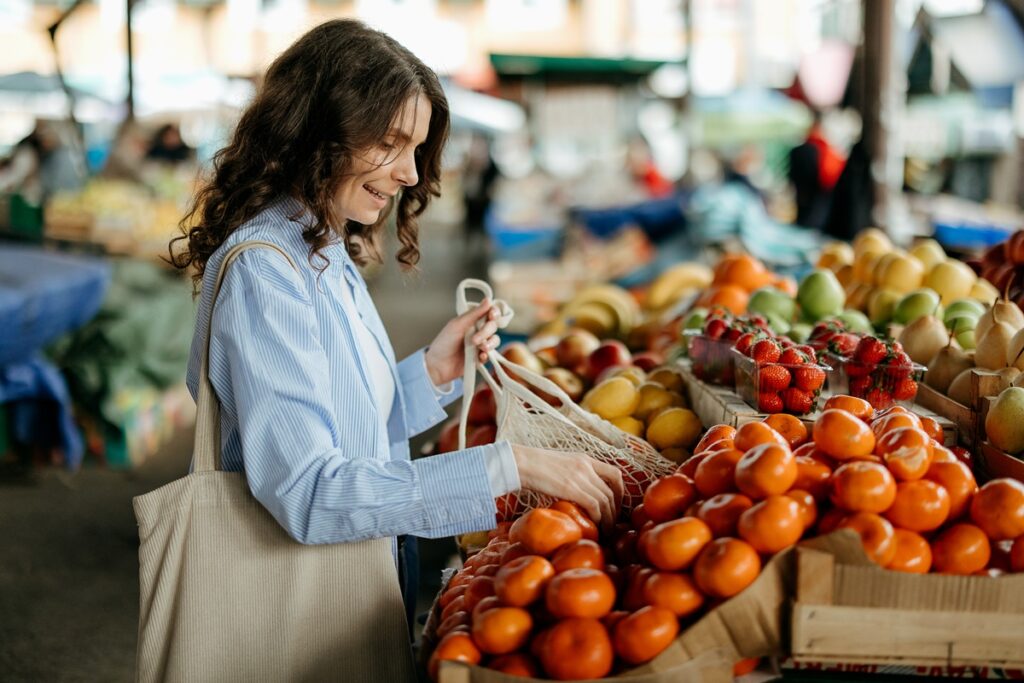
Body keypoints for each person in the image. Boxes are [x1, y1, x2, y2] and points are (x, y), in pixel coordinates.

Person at [169, 18, 622, 652]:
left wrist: (433, 370)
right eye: (391, 142)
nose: (411, 173)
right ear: (321, 131)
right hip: (296, 619)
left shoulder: (321, 247)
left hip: (354, 583)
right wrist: (506, 464)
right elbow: (309, 492)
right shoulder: (267, 272)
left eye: (417, 149)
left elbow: (347, 425)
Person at [788, 109, 845, 230]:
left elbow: (791, 178)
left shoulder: (797, 150)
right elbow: (831, 180)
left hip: (802, 203)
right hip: (820, 208)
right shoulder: (828, 152)